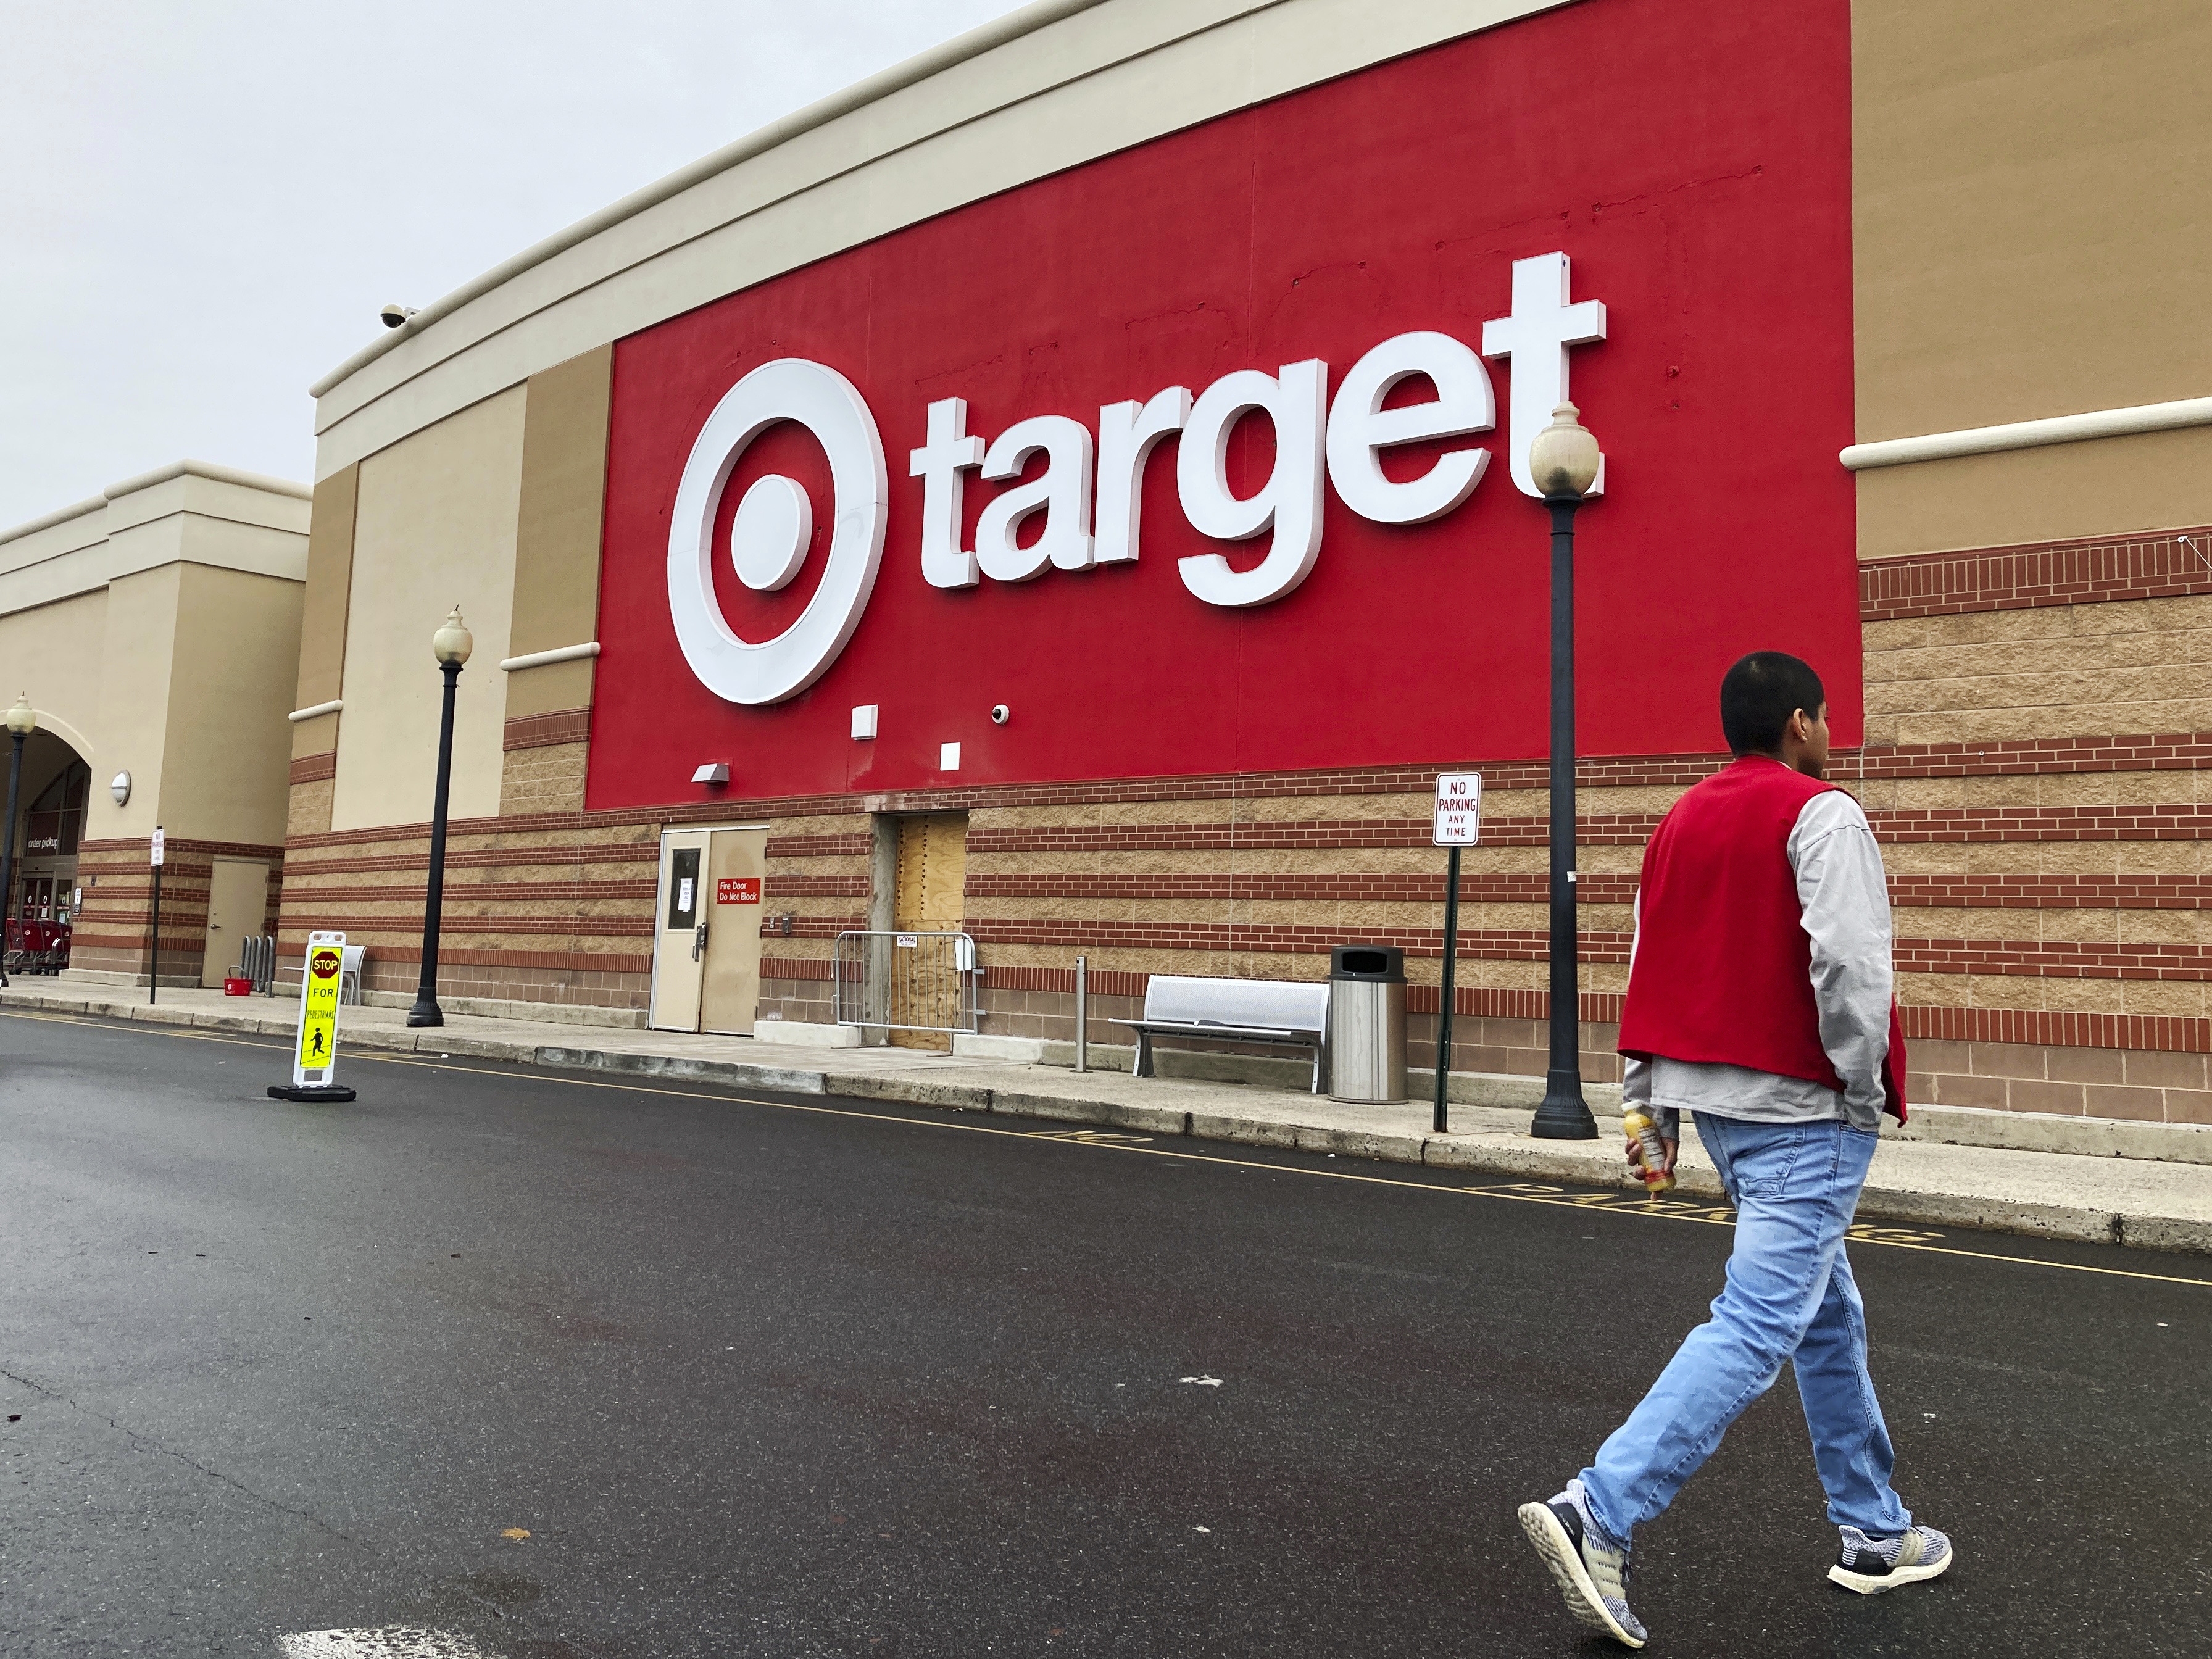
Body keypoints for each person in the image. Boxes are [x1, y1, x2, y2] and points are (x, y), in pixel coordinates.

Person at [1518, 651, 1950, 1649]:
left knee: (1824, 1313)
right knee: (1760, 1322)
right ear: (1800, 723)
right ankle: (1599, 1511)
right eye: (1827, 717)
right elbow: (1848, 960)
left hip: (1714, 1105)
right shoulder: (1824, 811)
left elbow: (1650, 965)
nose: (1833, 734)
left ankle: (1877, 1531)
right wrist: (1857, 1083)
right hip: (1804, 1107)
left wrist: (1647, 1110)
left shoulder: (1678, 824)